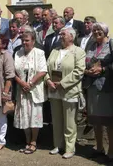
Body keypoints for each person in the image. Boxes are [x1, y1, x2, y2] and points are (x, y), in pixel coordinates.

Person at [45, 27, 85, 159]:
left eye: (63, 34)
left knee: (69, 122)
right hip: (54, 90)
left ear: (71, 37)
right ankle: (58, 145)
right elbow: (45, 68)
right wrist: (48, 80)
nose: (61, 36)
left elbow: (79, 71)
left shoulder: (78, 52)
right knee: (56, 120)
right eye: (60, 34)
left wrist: (62, 83)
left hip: (69, 91)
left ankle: (69, 148)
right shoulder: (55, 50)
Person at [14, 26, 47, 154]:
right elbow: (13, 72)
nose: (24, 42)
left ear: (33, 41)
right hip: (22, 90)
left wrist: (30, 83)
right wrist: (22, 83)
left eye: (27, 40)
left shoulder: (39, 53)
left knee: (34, 117)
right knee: (24, 116)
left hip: (34, 90)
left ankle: (33, 142)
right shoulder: (18, 53)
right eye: (23, 40)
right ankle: (27, 141)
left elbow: (43, 71)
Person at [84, 22, 113, 163]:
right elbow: (85, 62)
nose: (96, 32)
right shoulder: (91, 46)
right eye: (94, 30)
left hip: (106, 87)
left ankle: (111, 150)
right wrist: (87, 70)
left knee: (108, 120)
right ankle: (100, 148)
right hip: (92, 86)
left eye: (99, 30)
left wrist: (102, 70)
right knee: (96, 120)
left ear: (105, 31)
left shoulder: (111, 45)